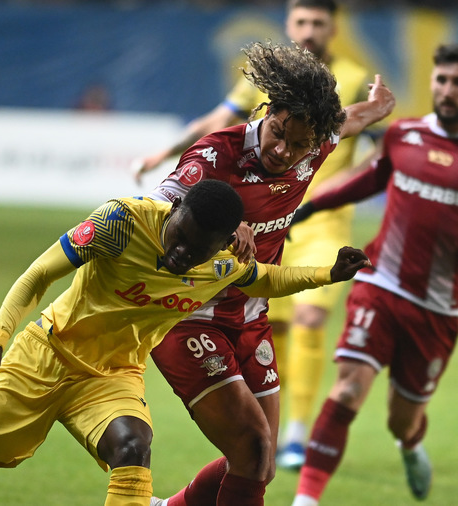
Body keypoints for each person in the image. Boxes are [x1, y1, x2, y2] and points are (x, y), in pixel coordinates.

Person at [0, 179, 372, 506]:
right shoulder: (121, 223)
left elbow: (267, 278)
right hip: (42, 357)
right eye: (179, 236)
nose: (179, 253)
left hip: (113, 376)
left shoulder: (218, 267)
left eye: (195, 249)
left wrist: (329, 272)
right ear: (174, 208)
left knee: (134, 446)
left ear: (219, 246)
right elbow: (37, 275)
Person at [144, 40, 392, 506]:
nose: (285, 150)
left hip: (250, 315)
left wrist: (376, 108)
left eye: (301, 144)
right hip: (188, 316)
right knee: (253, 451)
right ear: (268, 110)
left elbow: (348, 121)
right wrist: (217, 213)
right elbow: (156, 206)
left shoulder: (314, 143)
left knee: (261, 462)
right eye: (278, 132)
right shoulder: (217, 155)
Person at [289, 43, 458, 506]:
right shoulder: (403, 135)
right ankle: (306, 500)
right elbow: (370, 181)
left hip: (436, 309)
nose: (447, 89)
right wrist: (314, 205)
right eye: (441, 80)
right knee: (346, 393)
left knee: (400, 420)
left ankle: (411, 444)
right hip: (378, 283)